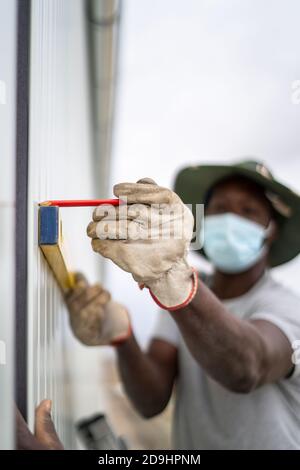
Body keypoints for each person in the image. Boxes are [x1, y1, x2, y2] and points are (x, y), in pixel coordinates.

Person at [19, 159, 300, 450]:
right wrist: (123, 337)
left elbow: (247, 368)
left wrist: (179, 286)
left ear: (272, 230)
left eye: (249, 211)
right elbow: (151, 400)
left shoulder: (287, 308)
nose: (231, 219)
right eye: (220, 208)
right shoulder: (190, 294)